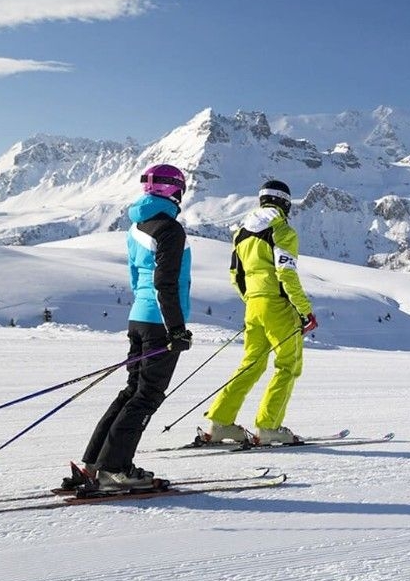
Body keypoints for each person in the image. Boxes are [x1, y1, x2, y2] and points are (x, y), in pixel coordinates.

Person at [64, 164, 194, 492]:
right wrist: (176, 329)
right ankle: (115, 469)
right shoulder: (170, 229)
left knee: (132, 391)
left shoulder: (137, 226)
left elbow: (138, 279)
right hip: (159, 322)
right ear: (175, 191)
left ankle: (95, 463)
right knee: (146, 395)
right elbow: (166, 282)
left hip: (139, 317)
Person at [201, 179, 316, 445]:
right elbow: (286, 274)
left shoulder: (241, 233)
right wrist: (304, 311)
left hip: (253, 305)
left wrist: (253, 299)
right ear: (285, 203)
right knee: (288, 365)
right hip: (278, 305)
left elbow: (235, 275)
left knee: (251, 364)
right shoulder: (281, 230)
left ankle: (220, 422)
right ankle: (269, 427)